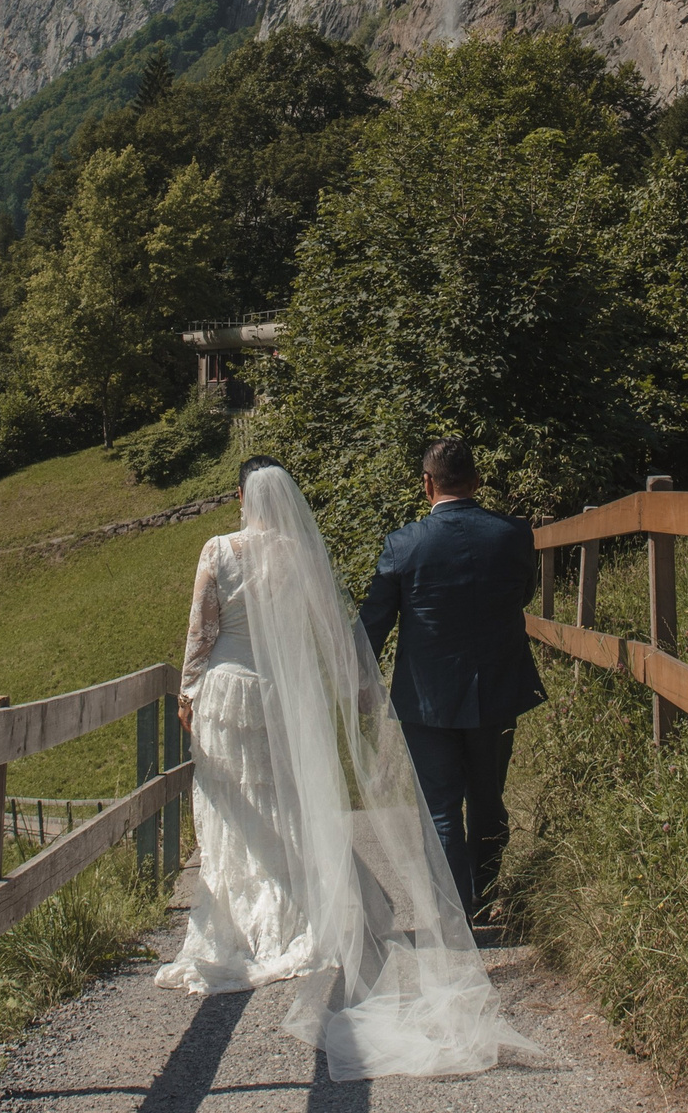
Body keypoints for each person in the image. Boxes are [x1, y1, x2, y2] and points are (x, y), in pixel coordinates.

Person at [156, 455, 530, 1079]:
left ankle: (250, 921)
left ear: (243, 497)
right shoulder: (303, 554)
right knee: (294, 798)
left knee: (232, 805)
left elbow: (202, 630)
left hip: (231, 690)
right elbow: (331, 626)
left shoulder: (220, 548)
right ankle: (436, 910)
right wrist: (357, 687)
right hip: (286, 693)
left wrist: (188, 690)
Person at [358, 438, 548, 925]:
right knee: (488, 798)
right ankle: (482, 897)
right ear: (477, 480)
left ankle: (455, 916)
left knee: (442, 806)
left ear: (426, 484)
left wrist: (358, 680)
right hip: (497, 686)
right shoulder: (513, 534)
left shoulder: (404, 544)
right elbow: (523, 593)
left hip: (426, 698)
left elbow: (375, 622)